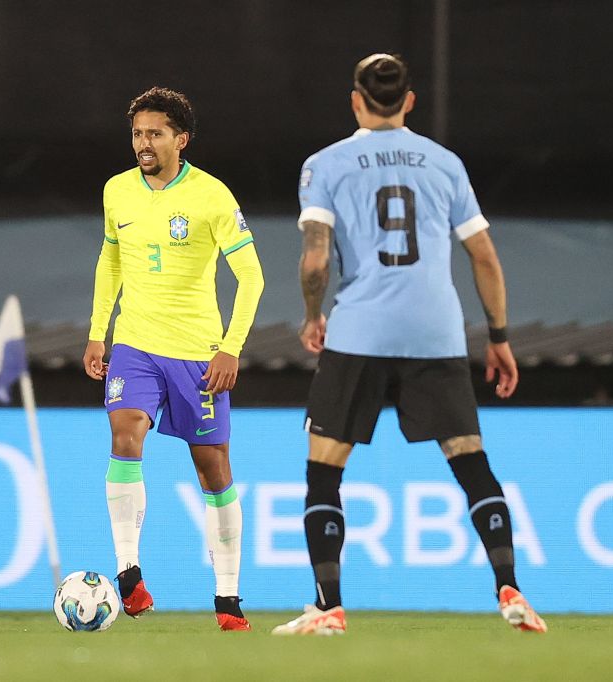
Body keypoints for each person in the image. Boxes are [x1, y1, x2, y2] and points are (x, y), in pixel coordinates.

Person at [272, 54, 546, 635]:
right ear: (410, 101)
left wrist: (313, 315)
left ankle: (329, 606)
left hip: (361, 330)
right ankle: (511, 588)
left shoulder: (324, 165)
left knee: (325, 472)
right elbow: (485, 257)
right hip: (435, 332)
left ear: (355, 99)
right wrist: (497, 336)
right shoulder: (445, 164)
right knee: (471, 462)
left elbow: (316, 255)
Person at [83, 87, 264, 631]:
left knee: (213, 473)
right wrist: (98, 334)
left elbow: (252, 277)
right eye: (137, 133)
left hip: (197, 354)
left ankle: (228, 599)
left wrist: (231, 346)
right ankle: (129, 575)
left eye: (155, 133)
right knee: (124, 435)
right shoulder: (117, 191)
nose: (144, 143)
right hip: (135, 344)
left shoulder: (211, 196)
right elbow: (110, 261)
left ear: (180, 140)